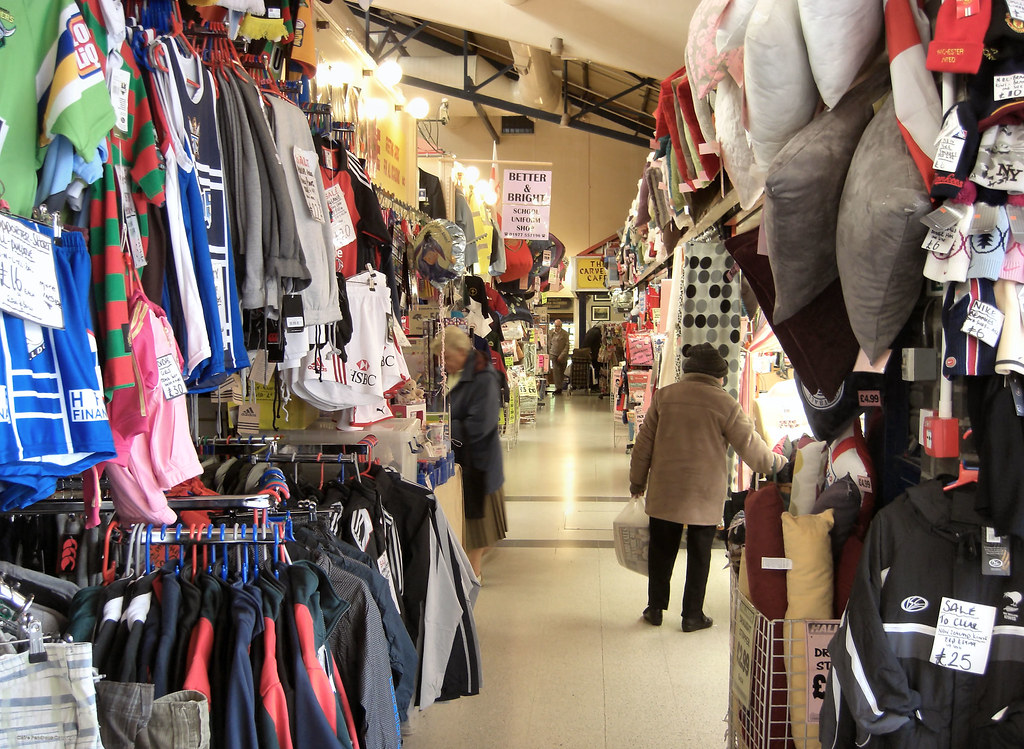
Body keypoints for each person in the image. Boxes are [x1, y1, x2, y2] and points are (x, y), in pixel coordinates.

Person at [628, 342, 786, 631]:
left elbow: (643, 445)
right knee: (700, 554)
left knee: (661, 551)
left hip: (666, 489)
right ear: (718, 375)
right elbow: (751, 448)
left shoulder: (665, 396)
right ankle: (692, 615)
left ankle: (655, 609)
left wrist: (637, 481)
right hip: (705, 493)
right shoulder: (725, 403)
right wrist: (779, 463)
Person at [432, 326, 508, 579]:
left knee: (477, 530)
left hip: (480, 465)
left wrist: (444, 428)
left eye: (446, 358)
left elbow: (481, 424)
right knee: (475, 529)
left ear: (462, 352)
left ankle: (473, 577)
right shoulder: (467, 374)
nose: (444, 364)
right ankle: (471, 574)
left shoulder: (483, 377)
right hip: (473, 463)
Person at [548, 319, 570, 394]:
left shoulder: (565, 334)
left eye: (559, 326)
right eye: (556, 326)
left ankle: (560, 386)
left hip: (562, 355)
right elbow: (549, 343)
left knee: (562, 372)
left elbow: (567, 346)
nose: (557, 328)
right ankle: (558, 388)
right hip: (553, 354)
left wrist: (562, 355)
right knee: (556, 371)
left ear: (561, 326)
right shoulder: (551, 332)